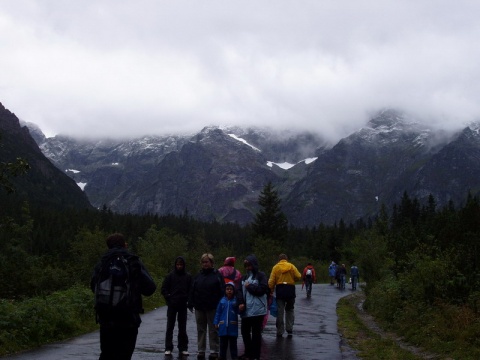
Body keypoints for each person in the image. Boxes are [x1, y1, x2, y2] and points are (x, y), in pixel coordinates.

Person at [90, 233, 157, 360]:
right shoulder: (132, 261)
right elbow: (150, 288)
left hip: (106, 319)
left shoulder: (103, 262)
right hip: (128, 320)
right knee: (124, 356)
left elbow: (94, 286)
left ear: (108, 246)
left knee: (106, 355)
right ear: (124, 245)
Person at [188, 253, 224, 360]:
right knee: (201, 329)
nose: (205, 264)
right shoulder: (198, 276)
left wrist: (221, 305)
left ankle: (214, 350)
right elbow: (192, 290)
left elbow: (222, 290)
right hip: (199, 307)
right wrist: (190, 302)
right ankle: (201, 350)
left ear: (212, 263)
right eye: (203, 262)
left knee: (213, 329)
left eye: (207, 262)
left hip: (213, 307)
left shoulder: (217, 275)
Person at [161, 256, 193, 356]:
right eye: (177, 265)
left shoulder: (188, 276)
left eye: (181, 265)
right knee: (170, 326)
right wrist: (168, 297)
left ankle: (183, 347)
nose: (179, 266)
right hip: (172, 305)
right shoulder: (170, 276)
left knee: (182, 327)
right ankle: (168, 347)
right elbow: (164, 288)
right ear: (175, 265)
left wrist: (189, 300)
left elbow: (191, 289)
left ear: (183, 265)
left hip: (183, 305)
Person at [239, 254, 269, 360]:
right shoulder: (244, 277)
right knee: (244, 332)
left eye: (249, 265)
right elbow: (239, 292)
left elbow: (262, 290)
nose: (247, 268)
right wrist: (241, 302)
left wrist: (249, 287)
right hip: (246, 310)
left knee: (256, 335)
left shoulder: (261, 276)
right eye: (246, 265)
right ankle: (248, 353)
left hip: (257, 311)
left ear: (254, 264)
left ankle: (255, 355)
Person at [268, 254, 301, 338]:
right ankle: (289, 328)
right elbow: (298, 276)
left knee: (280, 310)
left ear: (279, 260)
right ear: (286, 259)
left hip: (280, 289)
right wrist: (293, 280)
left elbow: (271, 281)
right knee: (290, 309)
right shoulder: (291, 266)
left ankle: (280, 330)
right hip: (290, 289)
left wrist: (271, 290)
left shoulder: (275, 267)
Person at [213, 281, 241, 360]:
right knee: (223, 344)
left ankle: (234, 357)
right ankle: (222, 356)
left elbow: (239, 312)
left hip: (232, 326)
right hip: (223, 326)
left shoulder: (235, 301)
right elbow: (218, 312)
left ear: (233, 291)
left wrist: (240, 308)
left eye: (231, 289)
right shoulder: (222, 301)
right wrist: (216, 322)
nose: (229, 291)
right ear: (225, 290)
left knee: (233, 344)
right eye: (227, 289)